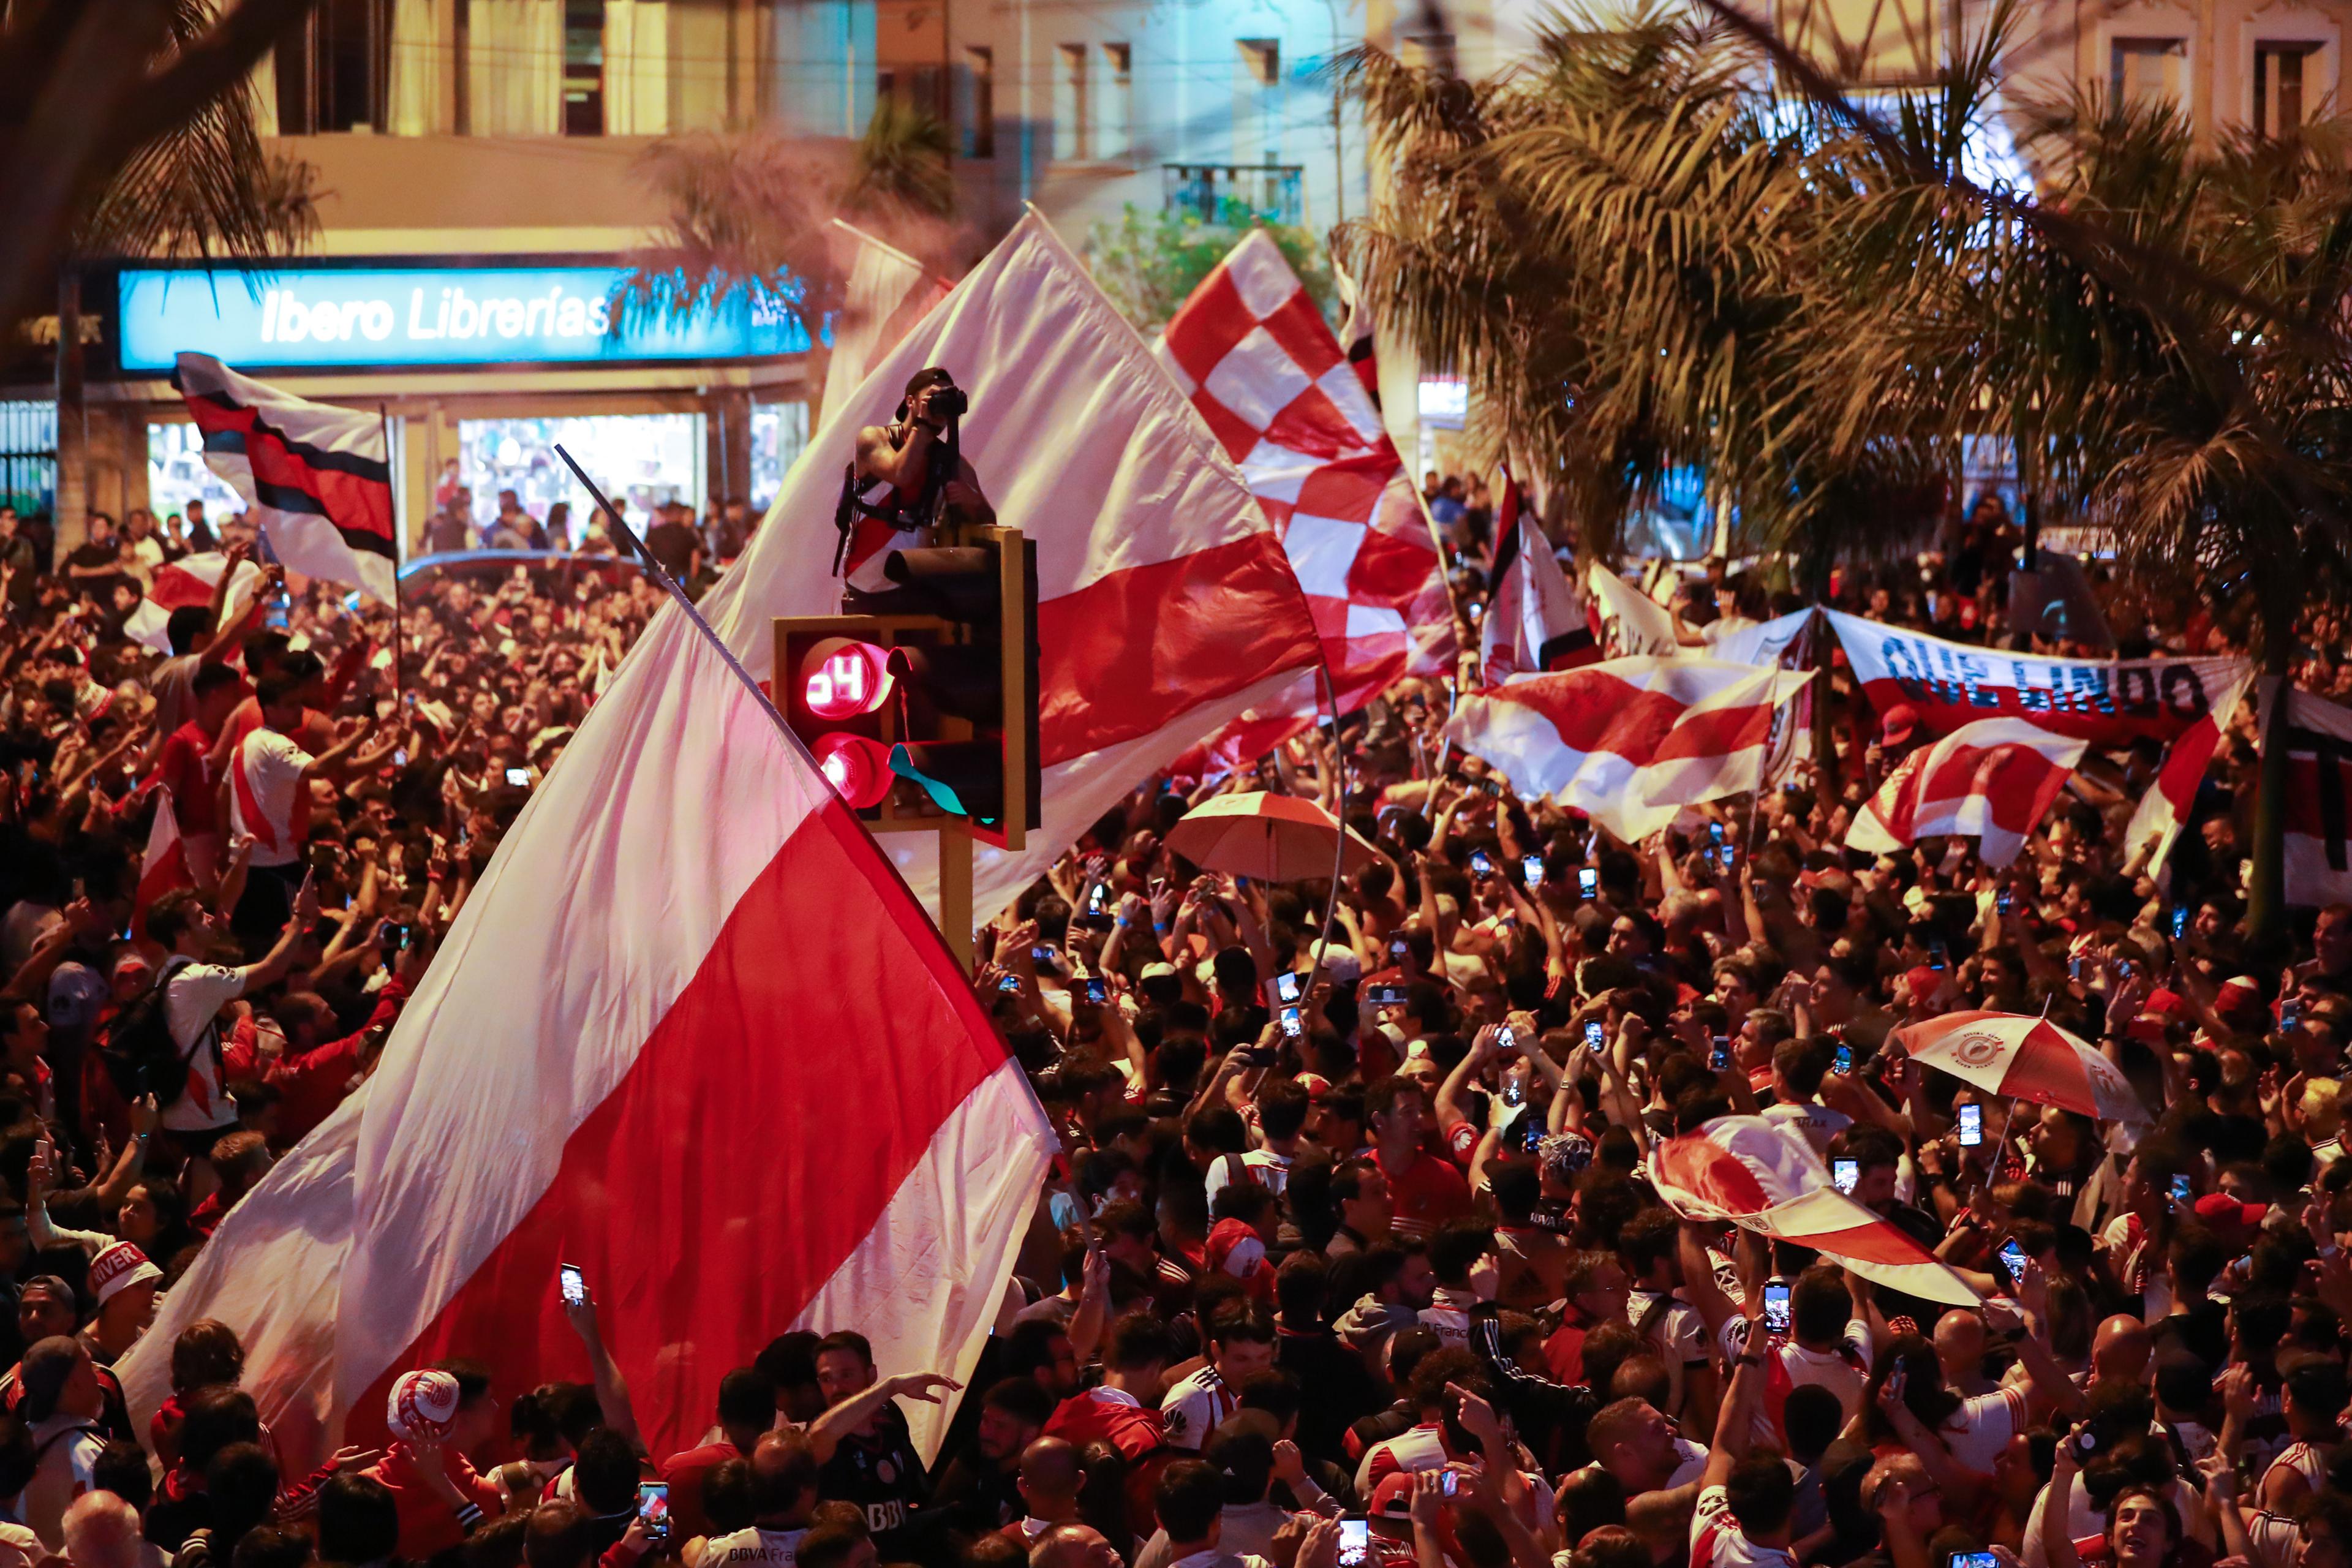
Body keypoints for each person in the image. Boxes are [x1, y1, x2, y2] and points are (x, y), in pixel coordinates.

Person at [839, 367, 993, 598]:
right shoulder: (874, 439)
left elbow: (988, 521)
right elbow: (902, 474)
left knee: (983, 593)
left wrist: (974, 501)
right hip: (868, 576)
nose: (940, 405)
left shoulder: (952, 461)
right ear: (911, 402)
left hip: (917, 578)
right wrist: (924, 424)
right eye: (934, 396)